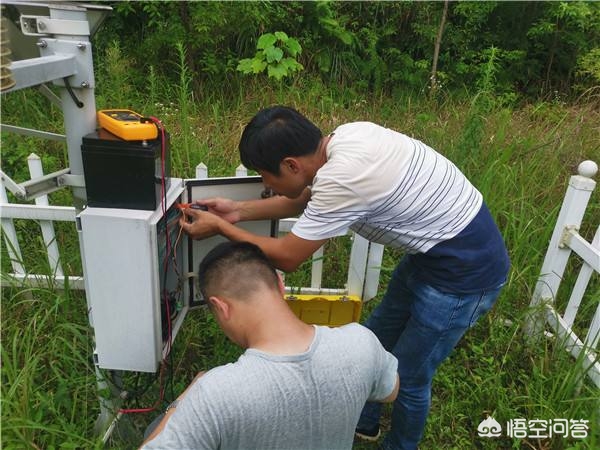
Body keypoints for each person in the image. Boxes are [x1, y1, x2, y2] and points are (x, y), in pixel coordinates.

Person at [179, 106, 510, 450]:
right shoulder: (345, 139)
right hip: (433, 255)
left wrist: (222, 227)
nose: (266, 185)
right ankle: (364, 424)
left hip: (465, 273)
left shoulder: (344, 178)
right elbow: (307, 199)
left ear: (292, 165)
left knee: (410, 377)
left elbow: (290, 256)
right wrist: (239, 211)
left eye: (266, 176)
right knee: (378, 344)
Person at [141, 241, 399, 449]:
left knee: (155, 426)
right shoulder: (359, 342)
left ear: (221, 307)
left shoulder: (215, 394)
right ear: (280, 284)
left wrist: (183, 400)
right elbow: (391, 390)